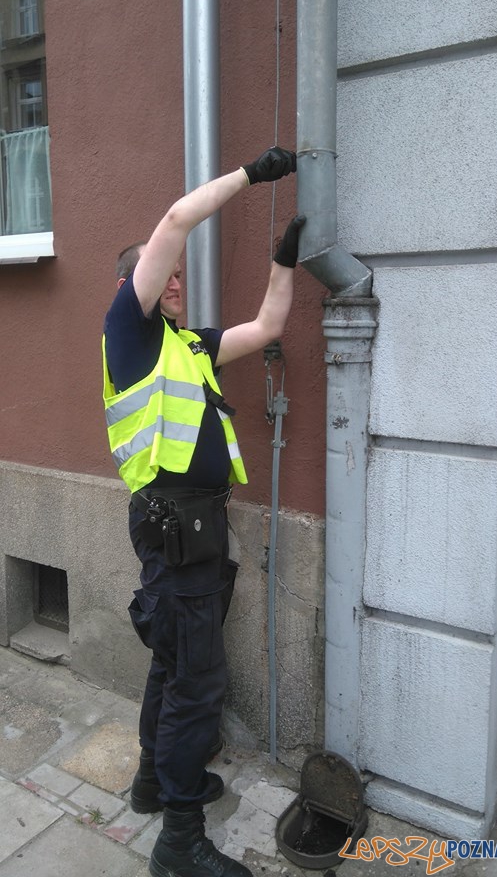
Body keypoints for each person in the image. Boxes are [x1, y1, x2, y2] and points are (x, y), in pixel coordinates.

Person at [102, 146, 305, 877]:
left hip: (198, 527)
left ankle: (155, 782)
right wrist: (255, 174)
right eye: (166, 273)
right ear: (138, 283)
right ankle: (180, 843)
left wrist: (285, 257)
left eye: (181, 277)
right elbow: (178, 218)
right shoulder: (130, 332)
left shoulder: (189, 346)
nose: (177, 282)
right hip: (174, 525)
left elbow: (267, 327)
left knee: (174, 663)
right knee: (198, 683)